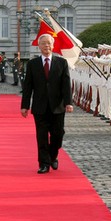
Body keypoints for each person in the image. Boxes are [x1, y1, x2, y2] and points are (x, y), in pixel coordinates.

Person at [20, 33, 74, 174]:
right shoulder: (32, 64)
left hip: (58, 106)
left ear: (53, 45)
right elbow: (28, 86)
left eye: (49, 43)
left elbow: (66, 85)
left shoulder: (61, 63)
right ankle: (44, 163)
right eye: (43, 43)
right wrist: (25, 105)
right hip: (40, 106)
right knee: (42, 136)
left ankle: (52, 155)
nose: (46, 46)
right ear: (39, 46)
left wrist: (68, 102)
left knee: (58, 134)